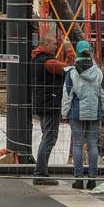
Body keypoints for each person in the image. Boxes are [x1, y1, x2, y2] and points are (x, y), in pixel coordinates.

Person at [62, 40, 104, 190]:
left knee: (77, 144)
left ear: (77, 52)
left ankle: (78, 179)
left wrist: (64, 113)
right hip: (94, 112)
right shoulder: (99, 72)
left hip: (77, 112)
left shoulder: (72, 72)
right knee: (92, 145)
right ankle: (93, 179)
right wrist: (102, 110)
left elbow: (67, 94)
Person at [30, 34, 69, 185]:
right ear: (45, 44)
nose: (55, 46)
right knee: (49, 138)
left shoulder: (36, 59)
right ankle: (40, 173)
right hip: (50, 104)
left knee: (46, 137)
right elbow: (68, 68)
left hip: (42, 103)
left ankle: (41, 171)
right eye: (53, 44)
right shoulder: (49, 62)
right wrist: (68, 48)